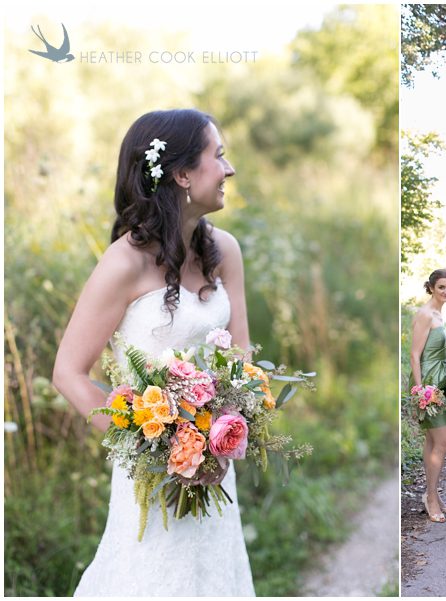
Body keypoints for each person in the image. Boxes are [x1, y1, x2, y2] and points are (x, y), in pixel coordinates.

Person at [52, 109, 255, 596]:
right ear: (182, 174)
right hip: (154, 474)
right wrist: (152, 450)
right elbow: (68, 372)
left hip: (214, 465)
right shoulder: (124, 262)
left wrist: (226, 430)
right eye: (219, 156)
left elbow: (243, 349)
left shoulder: (224, 250)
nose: (229, 170)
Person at [410, 269, 446, 522]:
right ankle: (430, 497)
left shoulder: (439, 312)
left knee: (432, 442)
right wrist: (420, 390)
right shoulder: (425, 314)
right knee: (443, 441)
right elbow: (415, 354)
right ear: (431, 287)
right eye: (441, 287)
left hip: (440, 381)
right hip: (428, 384)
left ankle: (433, 496)